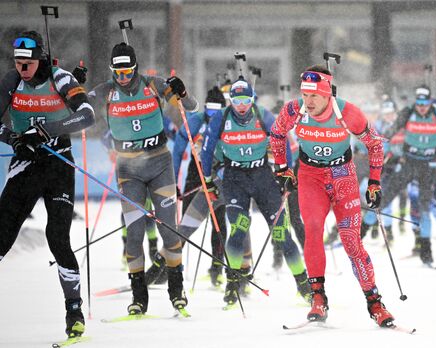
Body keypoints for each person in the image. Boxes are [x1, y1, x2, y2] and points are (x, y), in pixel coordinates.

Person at [270, 65, 395, 327]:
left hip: (343, 178)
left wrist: (374, 182)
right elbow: (277, 133)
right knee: (313, 229)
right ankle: (318, 298)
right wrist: (282, 168)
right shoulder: (295, 110)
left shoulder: (346, 112)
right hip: (310, 177)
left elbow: (374, 144)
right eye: (305, 94)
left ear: (327, 93)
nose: (308, 101)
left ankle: (375, 303)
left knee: (351, 242)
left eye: (314, 95)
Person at [87, 42, 198, 315]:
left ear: (135, 68)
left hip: (160, 166)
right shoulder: (106, 91)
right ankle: (139, 298)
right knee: (134, 235)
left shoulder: (153, 85)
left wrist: (181, 91)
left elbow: (191, 107)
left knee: (169, 231)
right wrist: (74, 90)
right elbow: (75, 107)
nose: (123, 78)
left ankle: (176, 291)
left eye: (127, 72)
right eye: (118, 72)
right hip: (129, 172)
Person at [0, 31, 94, 338]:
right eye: (18, 61)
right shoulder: (10, 82)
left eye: (27, 62)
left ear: (40, 57)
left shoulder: (61, 79)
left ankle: (74, 312)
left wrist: (44, 132)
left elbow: (86, 115)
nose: (22, 67)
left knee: (57, 236)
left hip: (58, 164)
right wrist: (12, 138)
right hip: (25, 166)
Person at [201, 78, 309, 308]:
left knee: (281, 232)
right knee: (239, 227)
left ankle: (304, 286)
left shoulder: (263, 115)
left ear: (252, 99)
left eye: (246, 100)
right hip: (234, 179)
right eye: (236, 100)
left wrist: (286, 173)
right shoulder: (221, 118)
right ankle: (232, 285)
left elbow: (283, 143)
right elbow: (207, 150)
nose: (241, 106)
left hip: (262, 176)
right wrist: (208, 180)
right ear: (230, 100)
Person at [380, 85, 436, 266]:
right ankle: (419, 241)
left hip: (435, 173)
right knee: (415, 203)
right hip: (418, 169)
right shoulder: (417, 125)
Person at [171, 85, 228, 288]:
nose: (212, 115)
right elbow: (177, 151)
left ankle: (217, 268)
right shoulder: (195, 120)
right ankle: (173, 267)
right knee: (185, 225)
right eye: (209, 110)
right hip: (195, 177)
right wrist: (175, 182)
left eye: (217, 110)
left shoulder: (226, 122)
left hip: (216, 176)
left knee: (219, 223)